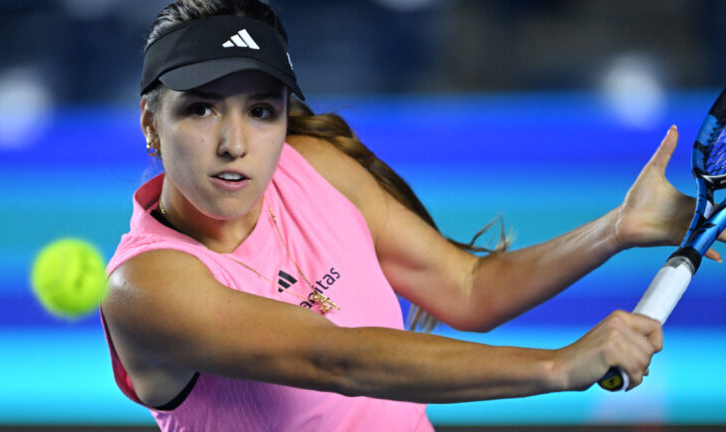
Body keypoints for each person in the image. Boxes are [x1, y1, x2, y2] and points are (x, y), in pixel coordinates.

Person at [99, 1, 723, 431]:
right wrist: (557, 365)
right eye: (201, 110)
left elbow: (468, 290)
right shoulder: (147, 286)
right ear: (152, 123)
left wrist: (616, 229)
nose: (235, 142)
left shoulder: (311, 167)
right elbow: (337, 361)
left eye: (261, 111)